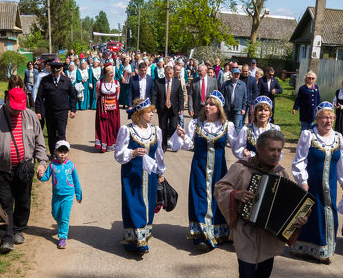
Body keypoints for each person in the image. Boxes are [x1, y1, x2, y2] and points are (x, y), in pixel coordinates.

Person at [216, 132, 307, 278]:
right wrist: (235, 194)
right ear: (259, 149)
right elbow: (221, 187)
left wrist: (299, 219)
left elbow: (294, 203)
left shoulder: (281, 172)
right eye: (271, 150)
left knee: (264, 273)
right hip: (246, 231)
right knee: (246, 277)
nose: (276, 154)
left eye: (279, 150)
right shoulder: (241, 168)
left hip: (269, 234)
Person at [0, 87, 49, 253]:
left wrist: (42, 162)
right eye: (14, 107)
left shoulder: (30, 116)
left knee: (23, 201)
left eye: (19, 108)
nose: (16, 111)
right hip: (2, 168)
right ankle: (6, 238)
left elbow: (39, 141)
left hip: (25, 167)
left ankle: (18, 229)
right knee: (5, 202)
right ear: (7, 100)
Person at [171, 91, 237, 248]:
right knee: (200, 197)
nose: (207, 106)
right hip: (199, 168)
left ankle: (216, 232)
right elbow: (187, 144)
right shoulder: (195, 124)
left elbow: (237, 148)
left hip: (219, 170)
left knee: (217, 198)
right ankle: (202, 235)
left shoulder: (228, 126)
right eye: (206, 103)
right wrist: (181, 136)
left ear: (219, 107)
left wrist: (251, 153)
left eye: (211, 104)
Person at [291, 102, 343, 262]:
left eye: (331, 117)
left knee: (328, 213)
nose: (328, 121)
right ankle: (301, 247)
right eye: (325, 117)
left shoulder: (338, 137)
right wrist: (302, 181)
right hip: (311, 185)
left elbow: (341, 163)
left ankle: (324, 250)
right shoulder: (308, 135)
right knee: (310, 215)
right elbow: (299, 161)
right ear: (317, 119)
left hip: (329, 186)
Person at [114, 99, 167, 255]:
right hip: (132, 175)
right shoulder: (127, 130)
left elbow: (159, 154)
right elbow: (118, 154)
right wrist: (132, 152)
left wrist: (160, 172)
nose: (152, 114)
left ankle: (142, 237)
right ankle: (134, 240)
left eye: (152, 111)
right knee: (134, 204)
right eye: (148, 111)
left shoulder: (156, 130)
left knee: (149, 205)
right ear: (139, 114)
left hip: (149, 176)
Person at [39, 140, 82, 249]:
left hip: (68, 195)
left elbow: (76, 181)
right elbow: (45, 177)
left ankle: (62, 238)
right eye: (60, 151)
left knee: (64, 217)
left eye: (65, 151)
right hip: (56, 195)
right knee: (55, 213)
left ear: (68, 152)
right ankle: (63, 225)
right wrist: (39, 175)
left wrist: (78, 194)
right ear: (55, 151)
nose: (62, 154)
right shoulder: (52, 165)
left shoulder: (71, 165)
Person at [35, 60, 78, 155]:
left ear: (61, 70)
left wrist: (73, 110)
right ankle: (53, 153)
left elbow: (72, 97)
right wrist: (38, 111)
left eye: (57, 72)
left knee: (61, 133)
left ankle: (62, 153)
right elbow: (39, 97)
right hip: (49, 112)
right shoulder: (45, 80)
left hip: (62, 112)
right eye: (53, 72)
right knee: (51, 134)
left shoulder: (66, 81)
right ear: (50, 71)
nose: (55, 74)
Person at [233, 96, 282, 160]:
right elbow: (238, 149)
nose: (263, 113)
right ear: (255, 113)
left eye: (266, 110)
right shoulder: (246, 129)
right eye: (260, 110)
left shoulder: (275, 130)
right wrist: (244, 152)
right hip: (251, 166)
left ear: (270, 113)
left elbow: (280, 151)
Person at [153, 62, 187, 149]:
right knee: (163, 128)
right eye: (167, 74)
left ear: (173, 73)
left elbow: (180, 96)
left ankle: (173, 144)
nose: (169, 75)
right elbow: (155, 95)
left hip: (174, 109)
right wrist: (153, 106)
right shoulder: (158, 82)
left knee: (173, 127)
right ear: (164, 73)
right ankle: (163, 145)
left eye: (171, 73)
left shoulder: (177, 82)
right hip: (162, 108)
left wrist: (181, 108)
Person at [95, 65, 121, 153]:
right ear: (105, 74)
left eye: (113, 73)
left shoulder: (116, 83)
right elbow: (97, 95)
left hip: (114, 108)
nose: (112, 75)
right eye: (110, 73)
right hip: (102, 108)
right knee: (103, 125)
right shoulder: (99, 83)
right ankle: (103, 145)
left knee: (113, 125)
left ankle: (112, 144)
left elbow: (117, 96)